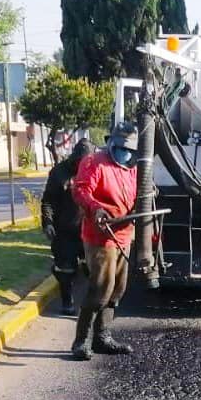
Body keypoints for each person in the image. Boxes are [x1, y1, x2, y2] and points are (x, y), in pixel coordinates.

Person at [69, 122, 140, 361]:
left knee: (117, 289)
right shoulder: (94, 162)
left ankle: (102, 337)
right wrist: (96, 209)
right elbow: (80, 190)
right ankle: (81, 340)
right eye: (120, 147)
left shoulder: (132, 167)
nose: (124, 152)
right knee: (100, 288)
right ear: (112, 143)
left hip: (124, 234)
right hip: (101, 236)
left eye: (128, 149)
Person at [41, 137, 93, 316]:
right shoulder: (59, 173)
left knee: (95, 269)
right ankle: (67, 300)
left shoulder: (97, 170)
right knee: (65, 268)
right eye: (79, 161)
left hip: (91, 229)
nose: (82, 165)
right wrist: (47, 222)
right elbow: (48, 201)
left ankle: (95, 302)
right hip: (65, 230)